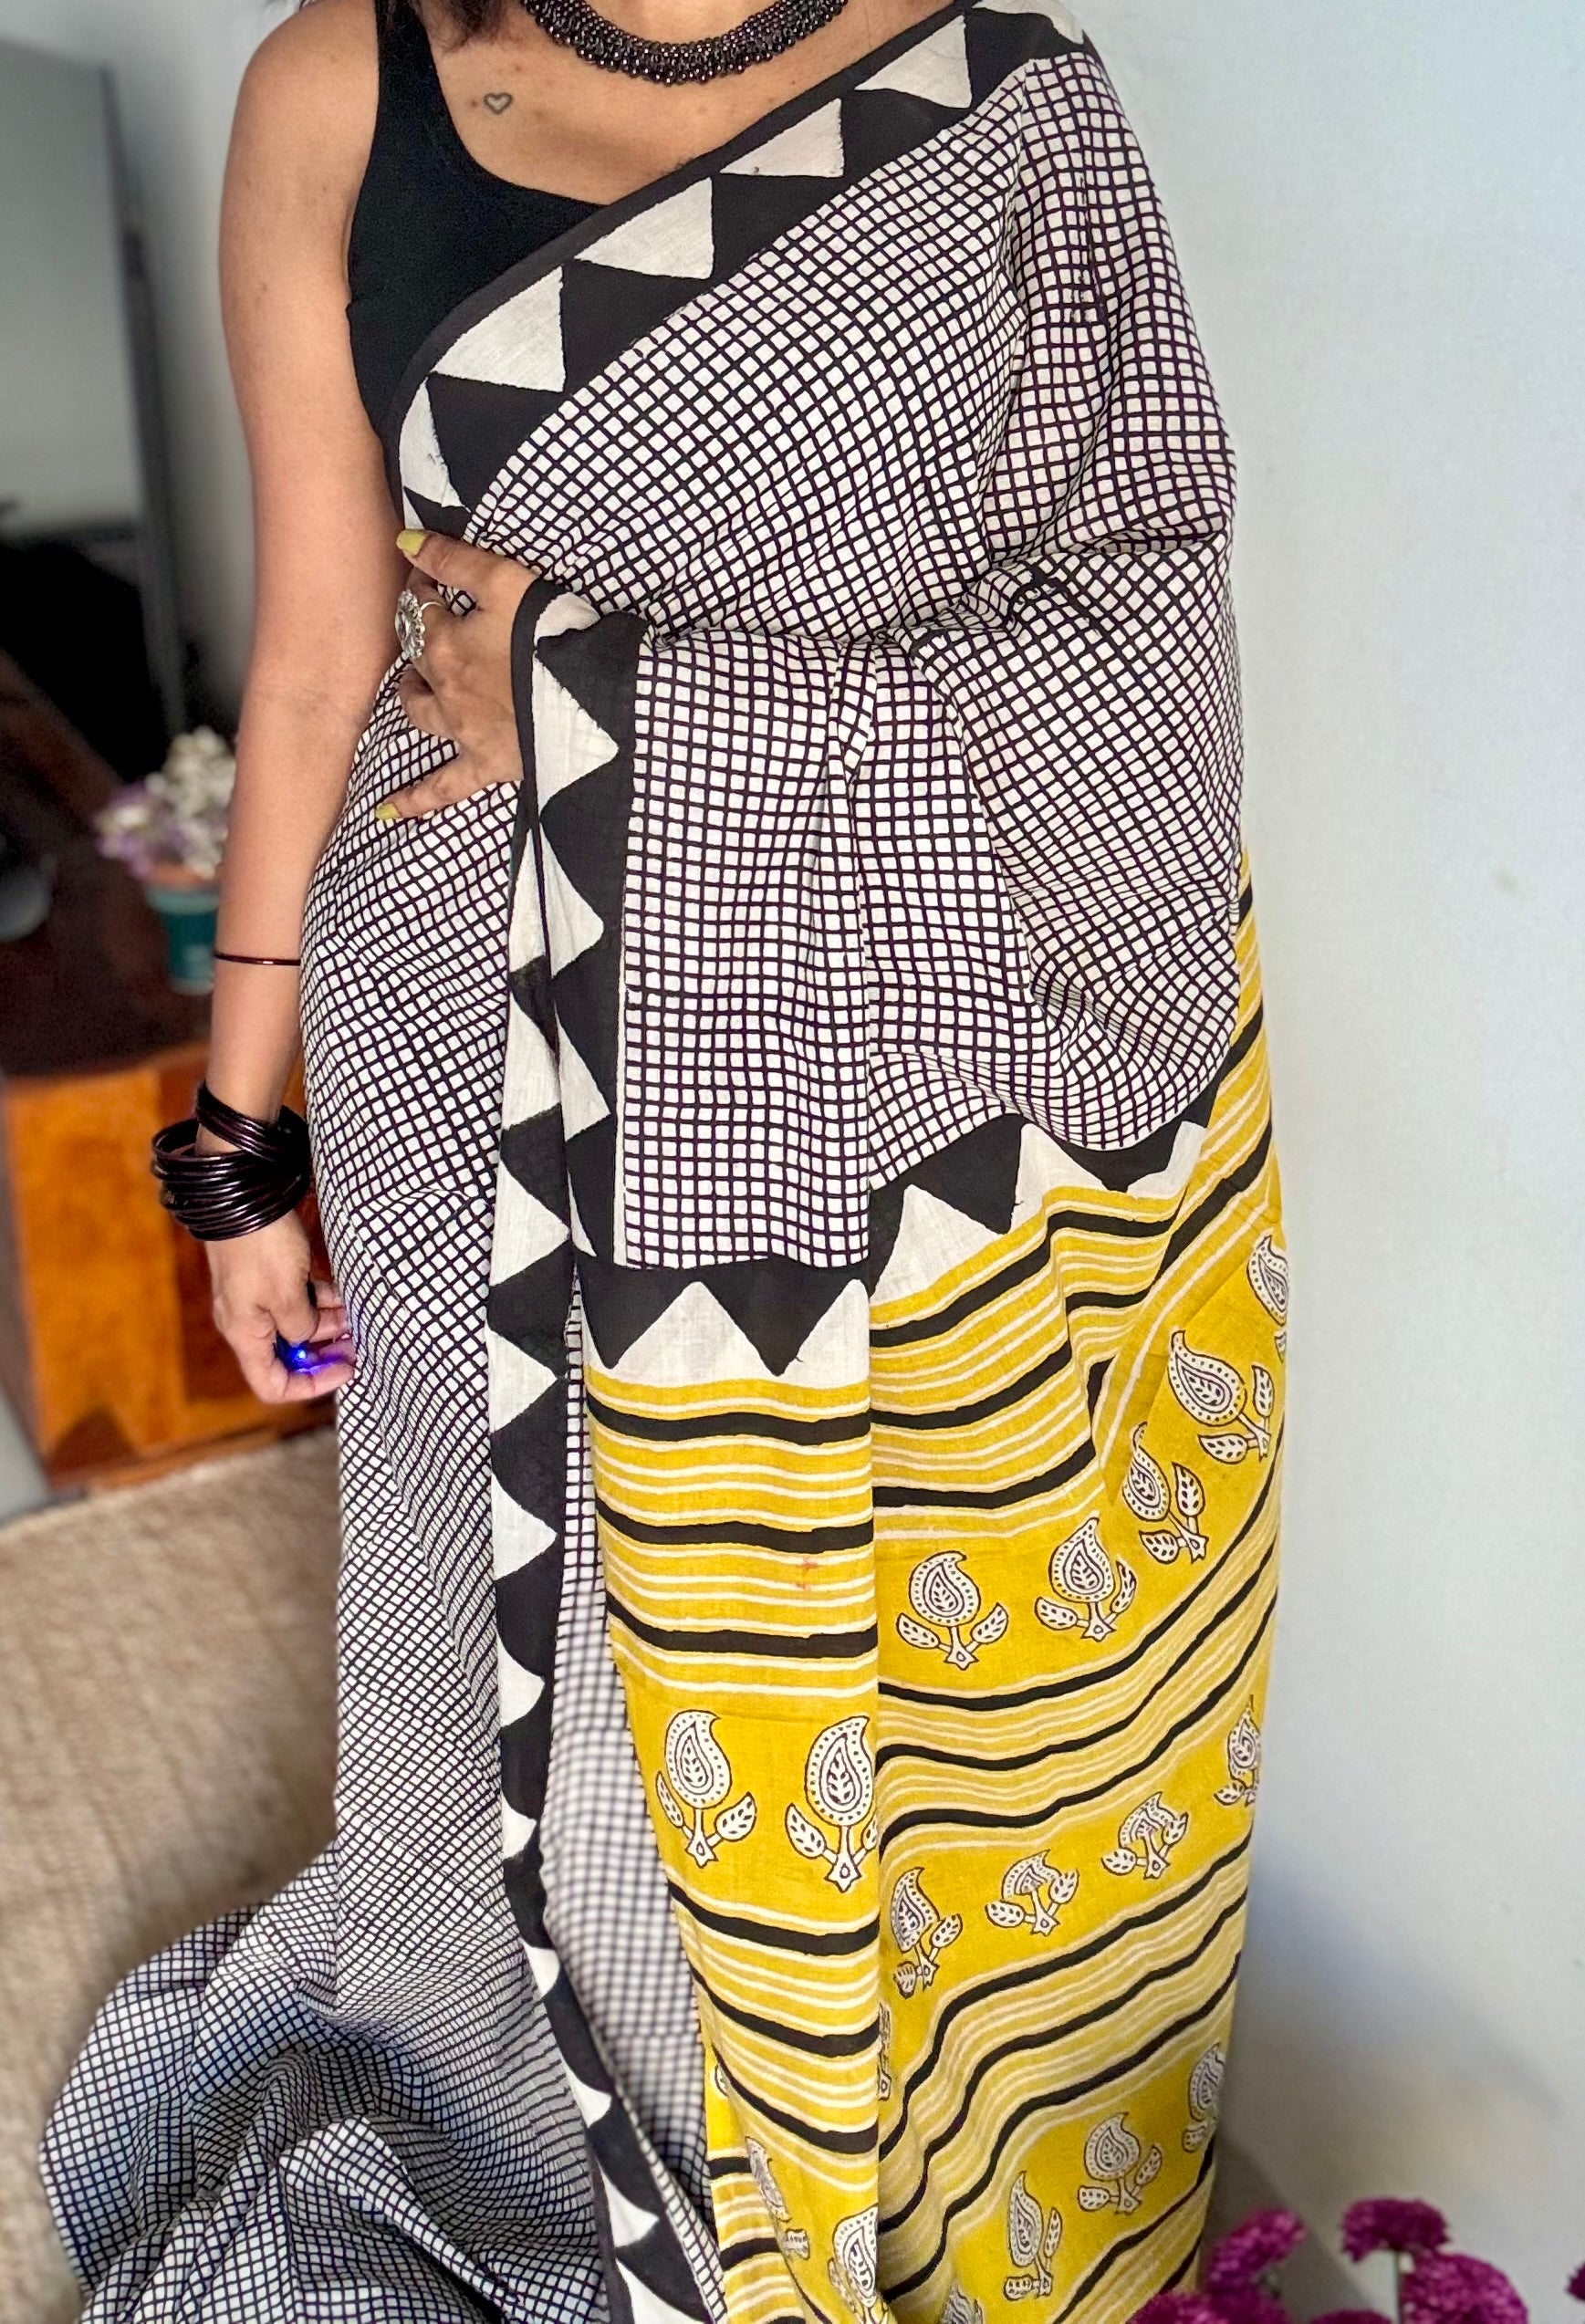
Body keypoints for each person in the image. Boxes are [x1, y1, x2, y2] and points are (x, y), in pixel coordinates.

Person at [44, 1, 1288, 2319]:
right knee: (501, 1599)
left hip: (894, 1069)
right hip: (464, 1021)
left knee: (855, 1628)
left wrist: (612, 691)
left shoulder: (998, 83)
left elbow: (1143, 620)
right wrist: (236, 1139)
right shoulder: (342, 83)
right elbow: (315, 657)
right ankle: (548, 2104)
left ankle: (856, 2135)